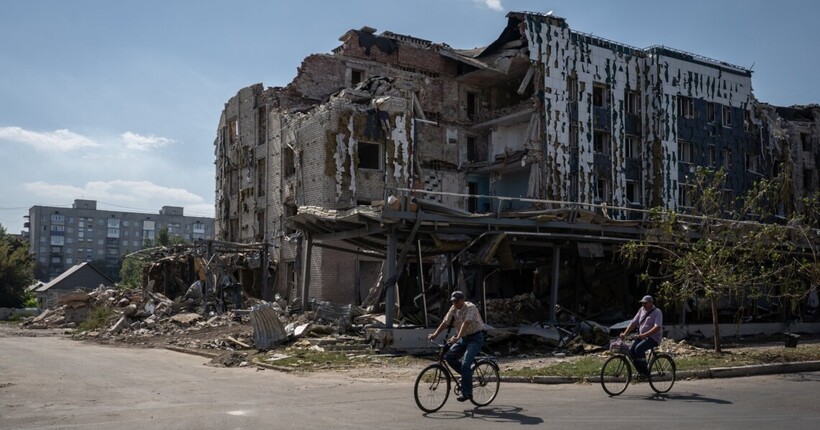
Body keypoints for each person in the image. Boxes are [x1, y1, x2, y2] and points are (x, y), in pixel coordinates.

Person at [427, 290, 486, 402]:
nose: (455, 304)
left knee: (465, 364)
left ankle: (467, 393)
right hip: (463, 338)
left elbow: (466, 323)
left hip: (475, 338)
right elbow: (445, 322)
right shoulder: (453, 308)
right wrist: (435, 334)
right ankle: (466, 376)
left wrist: (457, 337)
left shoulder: (470, 307)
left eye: (457, 301)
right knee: (449, 357)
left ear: (462, 300)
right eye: (453, 301)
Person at [620, 295, 663, 378]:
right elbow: (633, 323)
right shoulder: (641, 310)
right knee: (631, 351)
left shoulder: (657, 312)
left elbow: (657, 327)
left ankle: (645, 372)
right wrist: (625, 334)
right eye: (642, 303)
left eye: (645, 303)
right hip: (642, 336)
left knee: (639, 348)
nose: (643, 305)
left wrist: (644, 335)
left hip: (653, 338)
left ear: (651, 303)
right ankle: (640, 371)